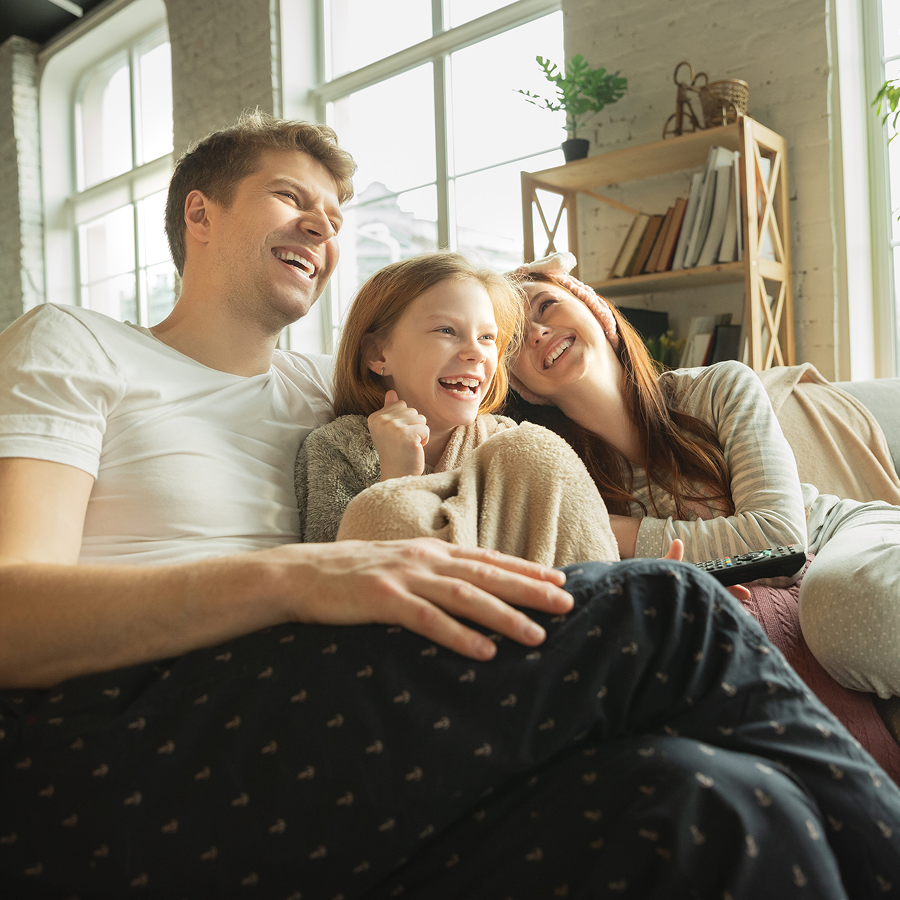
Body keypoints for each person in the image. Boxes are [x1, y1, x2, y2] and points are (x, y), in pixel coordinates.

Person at [1, 113, 900, 899]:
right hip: (128, 732)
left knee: (719, 802)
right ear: (199, 212)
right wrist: (299, 576)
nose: (322, 224)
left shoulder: (323, 388)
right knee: (669, 608)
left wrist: (532, 302)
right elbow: (11, 612)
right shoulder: (77, 344)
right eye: (289, 198)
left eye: (336, 216)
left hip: (311, 713)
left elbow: (455, 343)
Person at [506, 251, 900, 700]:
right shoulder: (555, 472)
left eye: (545, 305)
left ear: (595, 311)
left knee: (843, 609)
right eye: (514, 339)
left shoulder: (718, 386)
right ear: (518, 384)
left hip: (842, 532)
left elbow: (780, 542)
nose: (537, 332)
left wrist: (610, 530)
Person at [295, 250, 618, 567]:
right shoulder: (336, 448)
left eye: (487, 337)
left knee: (534, 448)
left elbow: (578, 546)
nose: (476, 353)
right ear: (378, 354)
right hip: (424, 615)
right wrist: (398, 481)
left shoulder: (513, 444)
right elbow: (336, 581)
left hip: (554, 610)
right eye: (447, 330)